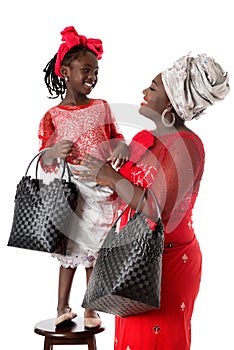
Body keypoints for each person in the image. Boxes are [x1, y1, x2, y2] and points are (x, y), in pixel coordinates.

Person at [75, 53, 230, 349]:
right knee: (131, 339)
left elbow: (157, 209)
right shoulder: (143, 140)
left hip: (167, 262)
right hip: (130, 258)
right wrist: (101, 167)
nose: (144, 93)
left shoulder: (188, 145)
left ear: (172, 102)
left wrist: (111, 177)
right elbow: (124, 193)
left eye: (153, 88)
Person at [38, 26, 129, 327]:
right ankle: (62, 305)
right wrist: (53, 151)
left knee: (97, 252)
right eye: (86, 70)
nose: (92, 77)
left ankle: (92, 307)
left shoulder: (102, 107)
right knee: (71, 252)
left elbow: (116, 137)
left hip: (102, 190)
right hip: (73, 193)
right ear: (65, 71)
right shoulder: (54, 115)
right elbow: (44, 160)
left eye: (96, 72)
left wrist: (122, 147)